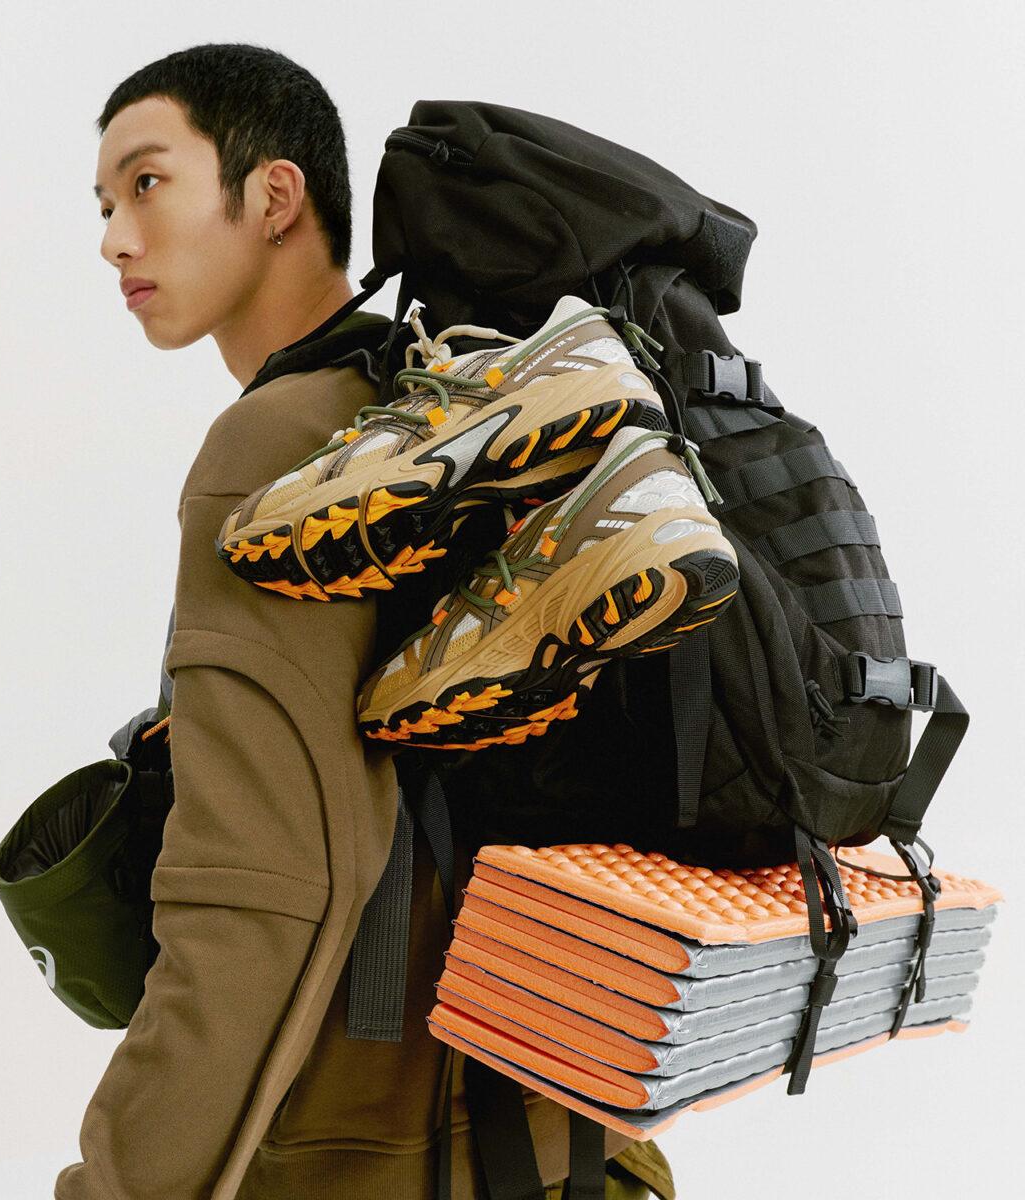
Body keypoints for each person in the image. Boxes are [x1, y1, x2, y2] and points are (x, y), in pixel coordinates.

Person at [58, 42, 675, 1200]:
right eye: (103, 206)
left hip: (381, 1169)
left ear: (274, 196)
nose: (114, 240)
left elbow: (262, 897)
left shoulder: (278, 453)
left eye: (147, 183)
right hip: (586, 1141)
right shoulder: (468, 406)